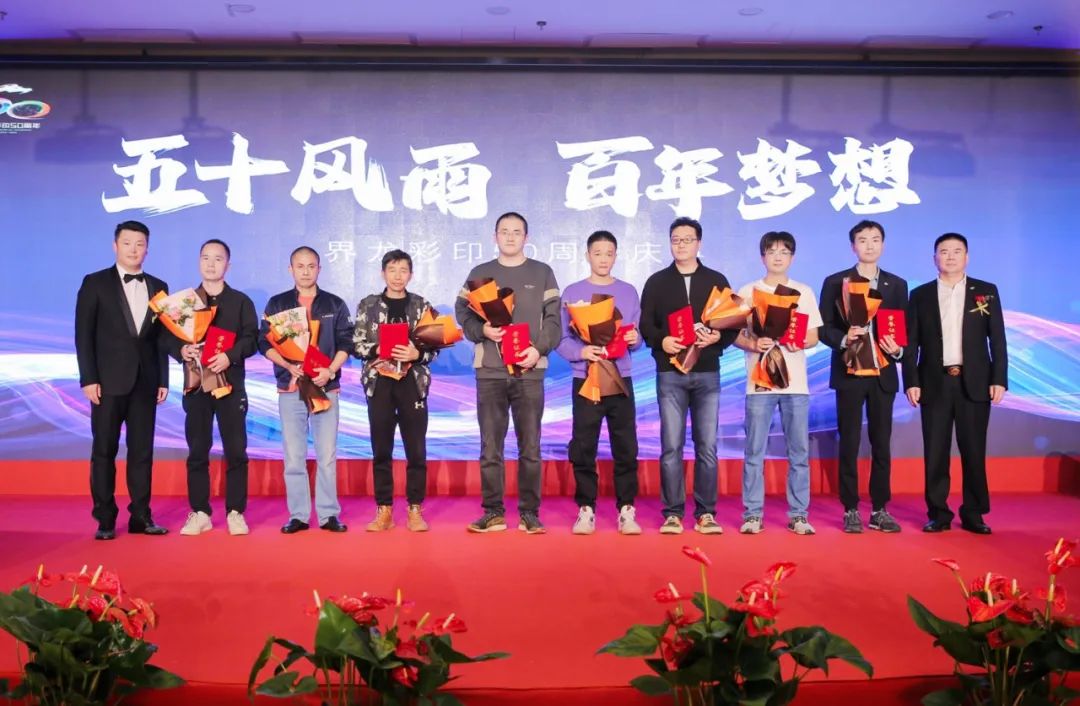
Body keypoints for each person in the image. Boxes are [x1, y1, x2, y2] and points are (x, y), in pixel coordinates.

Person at [455, 212, 561, 534]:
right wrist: (482, 331)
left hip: (530, 370)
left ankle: (530, 513)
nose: (510, 237)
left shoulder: (542, 273)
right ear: (495, 237)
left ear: (526, 237)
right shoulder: (480, 273)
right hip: (490, 371)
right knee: (490, 447)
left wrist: (538, 350)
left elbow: (554, 320)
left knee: (530, 447)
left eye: (517, 232)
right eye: (504, 231)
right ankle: (493, 512)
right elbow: (462, 313)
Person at [640, 217, 738, 535]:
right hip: (670, 373)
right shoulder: (657, 282)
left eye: (687, 239)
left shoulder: (716, 280)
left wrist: (718, 339)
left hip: (707, 373)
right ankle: (672, 513)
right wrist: (662, 341)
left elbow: (732, 323)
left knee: (706, 446)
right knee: (671, 445)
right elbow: (646, 325)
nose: (681, 245)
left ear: (699, 243)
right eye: (676, 240)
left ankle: (706, 513)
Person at [904, 233, 1007, 535]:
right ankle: (938, 513)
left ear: (967, 257)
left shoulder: (985, 292)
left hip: (974, 382)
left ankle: (974, 513)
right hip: (933, 382)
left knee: (973, 451)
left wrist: (999, 378)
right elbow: (911, 343)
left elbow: (997, 339)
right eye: (944, 251)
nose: (950, 256)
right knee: (935, 451)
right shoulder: (920, 295)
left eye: (957, 251)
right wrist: (911, 380)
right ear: (934, 258)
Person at [75, 220, 170, 540]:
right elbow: (83, 335)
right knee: (104, 450)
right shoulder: (95, 283)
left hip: (146, 382)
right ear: (115, 246)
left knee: (142, 452)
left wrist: (163, 378)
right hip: (106, 382)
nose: (133, 249)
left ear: (147, 249)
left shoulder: (159, 286)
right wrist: (88, 378)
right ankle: (104, 518)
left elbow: (160, 338)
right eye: (127, 243)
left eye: (140, 244)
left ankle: (141, 516)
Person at [162, 239, 258, 536]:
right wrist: (181, 350)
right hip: (196, 386)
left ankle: (235, 512)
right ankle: (200, 512)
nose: (211, 264)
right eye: (205, 258)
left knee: (236, 450)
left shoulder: (240, 302)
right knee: (197, 450)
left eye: (218, 259)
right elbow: (166, 338)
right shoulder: (184, 303)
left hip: (230, 385)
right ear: (199, 262)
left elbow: (252, 339)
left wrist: (229, 356)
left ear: (228, 264)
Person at [819, 220, 907, 534]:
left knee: (881, 442)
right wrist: (845, 338)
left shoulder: (897, 284)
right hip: (850, 372)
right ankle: (851, 508)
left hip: (882, 374)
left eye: (875, 239)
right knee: (850, 441)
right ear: (853, 246)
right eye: (863, 240)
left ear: (883, 244)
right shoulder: (836, 282)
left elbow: (902, 327)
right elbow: (824, 328)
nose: (869, 245)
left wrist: (898, 350)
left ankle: (880, 509)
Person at [259, 246, 354, 534]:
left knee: (327, 454)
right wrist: (288, 366)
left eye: (311, 266)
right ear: (291, 269)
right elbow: (264, 342)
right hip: (291, 388)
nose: (305, 271)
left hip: (326, 387)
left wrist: (330, 371)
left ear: (319, 269)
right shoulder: (278, 303)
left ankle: (328, 515)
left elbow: (346, 343)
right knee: (294, 454)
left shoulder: (335, 304)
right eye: (300, 266)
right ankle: (298, 515)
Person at [734, 231, 822, 536]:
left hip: (795, 384)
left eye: (784, 252)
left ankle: (798, 515)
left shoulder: (803, 291)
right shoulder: (748, 291)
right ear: (763, 257)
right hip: (759, 383)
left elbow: (814, 335)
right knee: (754, 452)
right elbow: (734, 333)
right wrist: (753, 344)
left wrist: (799, 342)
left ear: (792, 257)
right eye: (771, 251)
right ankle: (752, 514)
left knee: (798, 453)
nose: (777, 257)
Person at [555, 230, 643, 535]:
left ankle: (626, 508)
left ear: (616, 256)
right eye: (597, 253)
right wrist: (582, 352)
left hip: (621, 378)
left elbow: (638, 337)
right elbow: (561, 338)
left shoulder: (629, 291)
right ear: (587, 256)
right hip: (586, 378)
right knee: (583, 444)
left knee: (626, 444)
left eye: (609, 253)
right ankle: (586, 508)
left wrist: (634, 339)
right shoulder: (573, 292)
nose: (603, 259)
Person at [353, 250, 438, 532]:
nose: (398, 276)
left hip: (412, 383)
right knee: (381, 448)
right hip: (380, 382)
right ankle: (384, 510)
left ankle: (415, 508)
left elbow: (435, 346)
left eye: (403, 270)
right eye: (392, 270)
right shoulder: (368, 305)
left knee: (416, 449)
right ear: (383, 273)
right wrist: (379, 348)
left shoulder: (421, 306)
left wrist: (417, 354)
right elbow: (357, 344)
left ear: (410, 274)